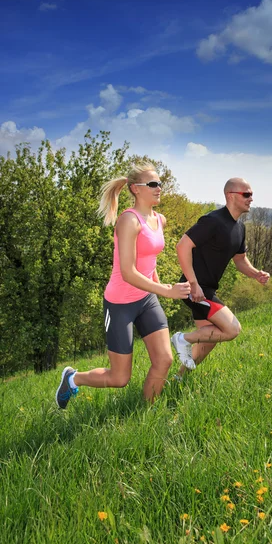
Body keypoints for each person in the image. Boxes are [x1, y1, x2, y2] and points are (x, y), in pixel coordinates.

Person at [56, 163, 190, 408]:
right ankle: (73, 378)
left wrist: (158, 284)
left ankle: (147, 413)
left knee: (164, 360)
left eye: (160, 183)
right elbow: (128, 272)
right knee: (119, 378)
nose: (159, 188)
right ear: (135, 189)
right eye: (152, 184)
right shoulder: (129, 220)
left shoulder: (160, 219)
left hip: (147, 299)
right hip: (120, 303)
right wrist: (167, 291)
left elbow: (148, 260)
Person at [171, 177, 270, 374]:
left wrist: (255, 274)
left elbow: (240, 260)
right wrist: (193, 283)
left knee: (208, 340)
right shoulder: (212, 221)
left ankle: (177, 380)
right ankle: (182, 339)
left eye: (251, 195)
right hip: (196, 288)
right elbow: (183, 246)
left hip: (207, 289)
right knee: (232, 329)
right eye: (246, 194)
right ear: (230, 196)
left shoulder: (239, 228)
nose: (251, 199)